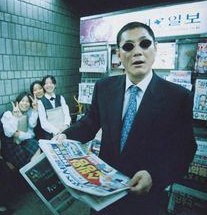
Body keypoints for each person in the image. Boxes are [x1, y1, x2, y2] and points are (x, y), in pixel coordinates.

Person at [54, 22, 197, 215]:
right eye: (128, 46)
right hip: (102, 193)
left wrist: (155, 176)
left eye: (144, 44)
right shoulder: (104, 87)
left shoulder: (178, 97)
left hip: (145, 199)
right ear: (119, 54)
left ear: (156, 49)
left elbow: (185, 149)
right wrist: (62, 139)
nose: (137, 52)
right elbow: (89, 123)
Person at [1, 92, 41, 169]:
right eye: (22, 101)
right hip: (11, 144)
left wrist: (35, 110)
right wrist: (15, 117)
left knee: (36, 144)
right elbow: (10, 133)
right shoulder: (8, 114)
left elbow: (31, 131)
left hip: (23, 141)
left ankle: (34, 172)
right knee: (24, 157)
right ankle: (27, 174)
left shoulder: (26, 115)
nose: (25, 104)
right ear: (18, 102)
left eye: (27, 102)